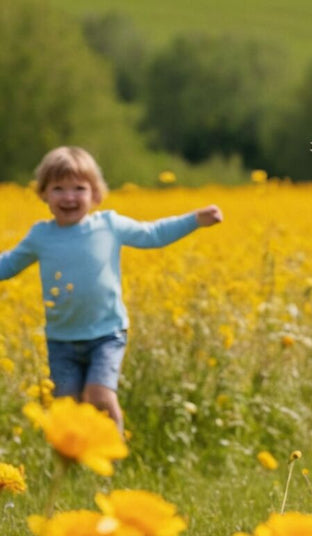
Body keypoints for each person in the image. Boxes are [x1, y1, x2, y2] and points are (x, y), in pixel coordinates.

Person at [0, 146, 223, 433]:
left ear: (95, 194)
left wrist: (194, 220)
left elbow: (152, 234)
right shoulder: (40, 235)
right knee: (66, 409)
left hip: (107, 334)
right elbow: (9, 264)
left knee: (99, 397)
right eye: (58, 189)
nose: (69, 197)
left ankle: (113, 453)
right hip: (61, 341)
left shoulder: (109, 225)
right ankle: (77, 458)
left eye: (79, 188)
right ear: (43, 194)